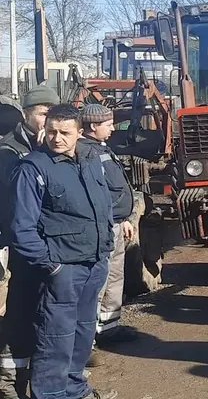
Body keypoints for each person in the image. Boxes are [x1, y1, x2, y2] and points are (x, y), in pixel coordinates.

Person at [9, 104, 116, 399]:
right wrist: (50, 265)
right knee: (55, 336)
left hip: (93, 262)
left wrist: (105, 247)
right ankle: (51, 394)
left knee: (82, 333)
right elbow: (22, 227)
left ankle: (74, 387)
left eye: (65, 133)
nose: (57, 138)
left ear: (79, 133)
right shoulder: (33, 168)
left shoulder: (91, 159)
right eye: (52, 131)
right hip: (61, 268)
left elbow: (103, 203)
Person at [0, 87, 60, 399]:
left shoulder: (57, 147)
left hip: (50, 248)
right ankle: (10, 384)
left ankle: (45, 378)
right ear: (26, 115)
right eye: (41, 113)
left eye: (52, 112)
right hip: (22, 249)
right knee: (18, 316)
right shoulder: (9, 152)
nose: (47, 119)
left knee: (45, 314)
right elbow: (14, 205)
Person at [77, 104, 139, 369]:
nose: (113, 128)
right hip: (101, 228)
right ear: (93, 126)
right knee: (96, 284)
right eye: (108, 123)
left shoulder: (100, 148)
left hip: (115, 225)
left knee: (114, 277)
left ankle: (109, 329)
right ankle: (85, 344)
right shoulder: (84, 152)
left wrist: (125, 218)